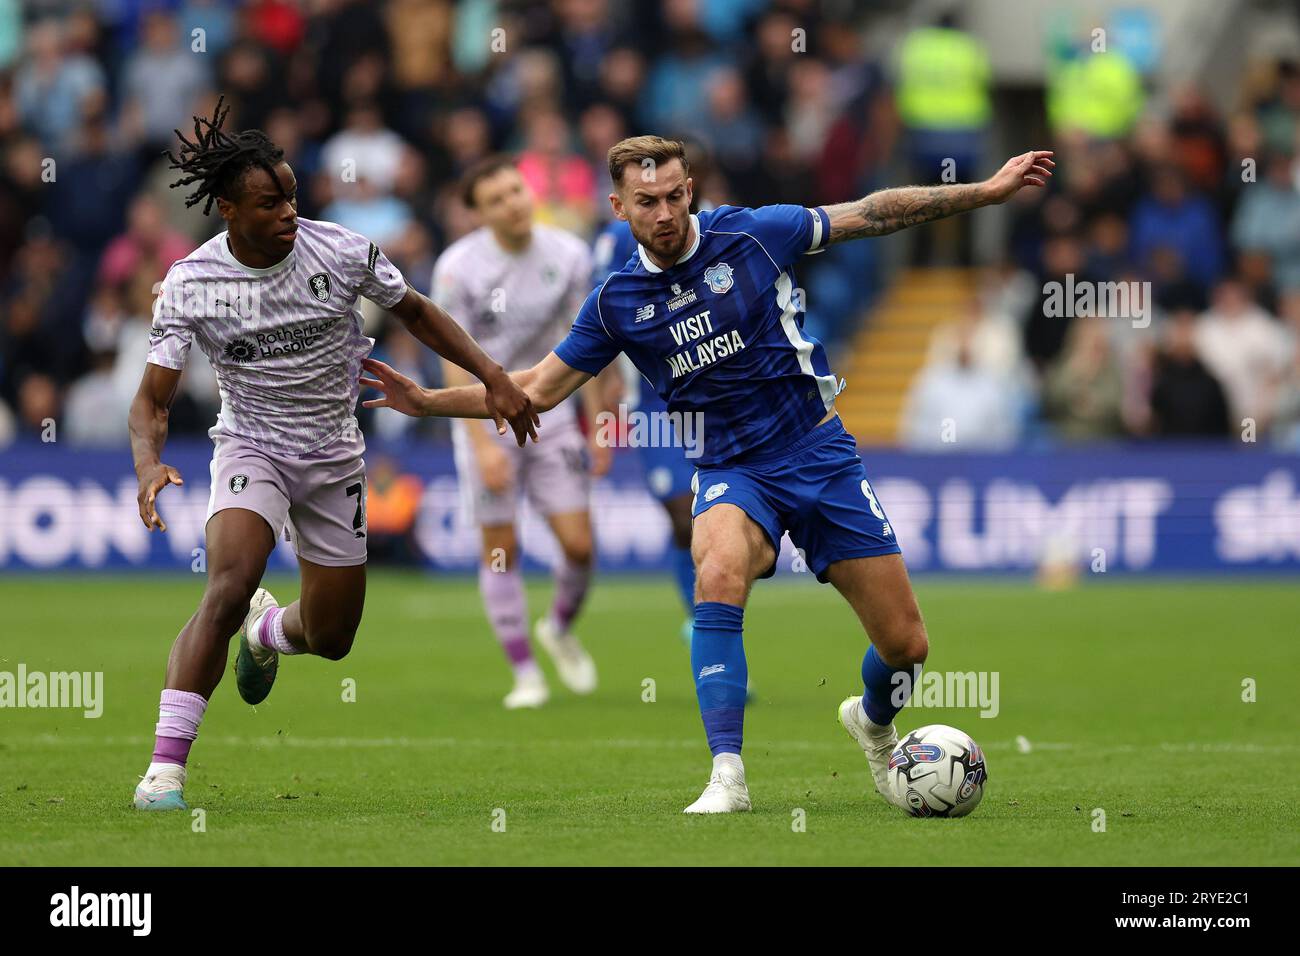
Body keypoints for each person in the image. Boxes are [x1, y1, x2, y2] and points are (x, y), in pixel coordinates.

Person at [361, 135, 1053, 813]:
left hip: (818, 451)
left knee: (906, 646)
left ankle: (872, 723)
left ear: (689, 190)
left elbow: (873, 211)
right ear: (618, 206)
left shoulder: (754, 236)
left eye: (672, 196)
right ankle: (728, 775)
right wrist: (426, 402)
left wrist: (985, 192)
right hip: (730, 469)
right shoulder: (616, 301)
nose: (663, 213)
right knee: (716, 573)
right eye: (645, 201)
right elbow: (534, 390)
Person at [128, 99, 536, 811]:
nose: (288, 211)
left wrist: (493, 377)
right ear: (227, 209)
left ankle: (266, 631)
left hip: (334, 455)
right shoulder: (190, 282)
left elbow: (417, 311)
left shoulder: (341, 250)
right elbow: (152, 400)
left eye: (291, 194)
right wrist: (147, 462)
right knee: (227, 583)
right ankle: (164, 772)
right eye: (269, 202)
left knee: (331, 636)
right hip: (251, 443)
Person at [433, 155, 602, 709]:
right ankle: (525, 672)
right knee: (501, 548)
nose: (514, 203)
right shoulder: (458, 269)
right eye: (498, 199)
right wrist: (480, 442)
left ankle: (557, 627)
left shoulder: (570, 253)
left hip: (551, 411)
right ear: (479, 214)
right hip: (488, 417)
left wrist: (600, 421)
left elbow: (593, 342)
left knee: (579, 547)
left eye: (517, 190)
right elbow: (452, 360)